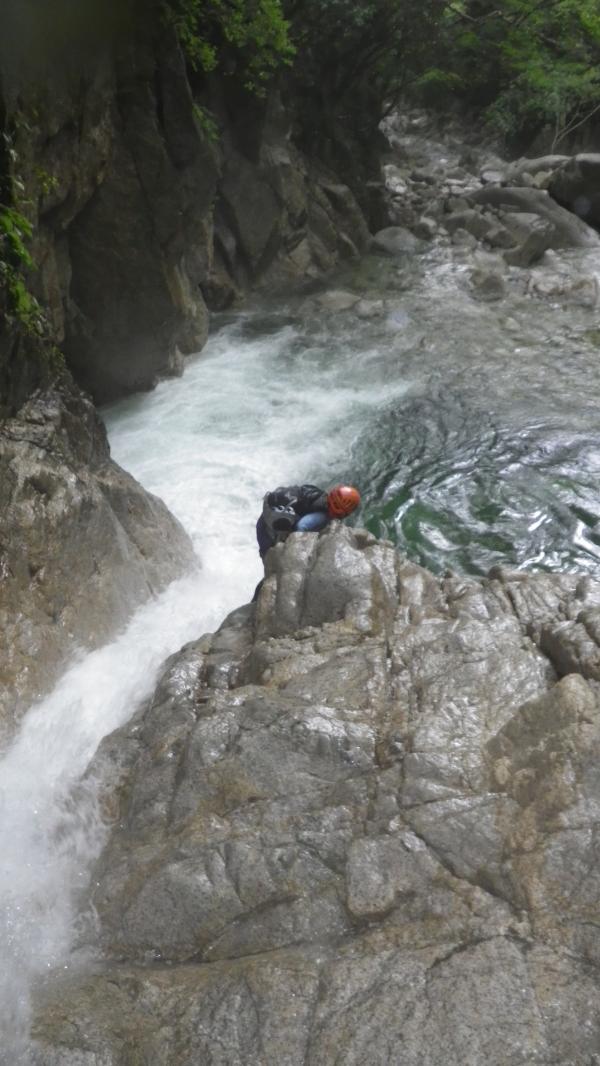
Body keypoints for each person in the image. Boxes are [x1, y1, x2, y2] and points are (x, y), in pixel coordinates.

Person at [256, 482, 361, 561]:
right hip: (271, 530)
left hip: (266, 519)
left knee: (267, 560)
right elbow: (302, 526)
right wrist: (302, 550)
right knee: (271, 561)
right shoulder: (323, 516)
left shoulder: (318, 495)